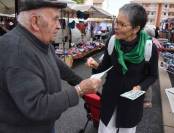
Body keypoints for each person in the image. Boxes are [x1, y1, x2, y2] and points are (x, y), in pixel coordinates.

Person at [0, 0, 102, 133]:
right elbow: (36, 107)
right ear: (35, 22)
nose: (59, 26)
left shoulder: (39, 40)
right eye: (55, 19)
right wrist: (79, 89)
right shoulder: (18, 51)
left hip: (44, 124)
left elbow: (58, 64)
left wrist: (80, 82)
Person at [86, 3, 158, 133]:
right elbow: (105, 67)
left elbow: (152, 75)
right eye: (116, 22)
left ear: (136, 29)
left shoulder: (149, 48)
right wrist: (95, 66)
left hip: (131, 102)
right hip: (110, 99)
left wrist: (141, 87)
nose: (116, 27)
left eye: (122, 24)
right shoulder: (112, 42)